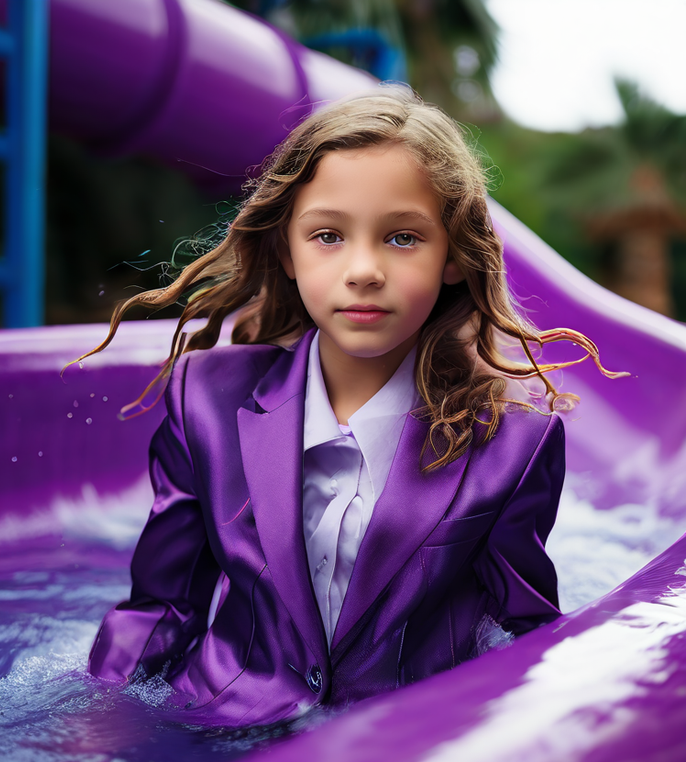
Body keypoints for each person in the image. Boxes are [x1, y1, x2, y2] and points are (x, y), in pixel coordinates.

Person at [83, 86, 622, 727]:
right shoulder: (205, 399)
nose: (363, 269)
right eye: (329, 236)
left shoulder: (512, 444)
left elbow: (524, 627)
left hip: (397, 751)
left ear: (452, 256)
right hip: (219, 729)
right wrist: (98, 723)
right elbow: (162, 606)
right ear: (286, 249)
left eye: (401, 238)